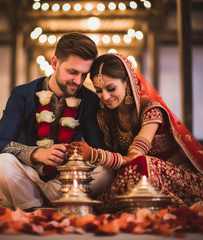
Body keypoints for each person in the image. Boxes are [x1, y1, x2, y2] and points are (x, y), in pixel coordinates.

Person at [0, 33, 115, 211]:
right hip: (29, 176)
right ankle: (37, 205)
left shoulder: (90, 100)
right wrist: (37, 154)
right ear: (54, 63)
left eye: (84, 74)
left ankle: (33, 204)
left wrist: (79, 155)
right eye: (72, 72)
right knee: (2, 163)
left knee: (105, 171)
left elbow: (98, 147)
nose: (78, 81)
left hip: (65, 180)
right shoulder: (22, 95)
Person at [67, 53, 203, 213]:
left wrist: (94, 155)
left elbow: (134, 157)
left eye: (111, 88)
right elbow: (117, 162)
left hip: (178, 178)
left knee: (143, 163)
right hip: (138, 176)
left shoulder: (151, 109)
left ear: (127, 82)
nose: (105, 96)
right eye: (98, 90)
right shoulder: (105, 116)